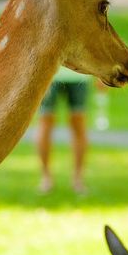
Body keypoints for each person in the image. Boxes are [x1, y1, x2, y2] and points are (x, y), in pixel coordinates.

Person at [37, 66, 92, 194]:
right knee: (45, 124)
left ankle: (78, 179)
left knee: (79, 125)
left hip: (80, 75)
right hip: (49, 74)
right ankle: (46, 177)